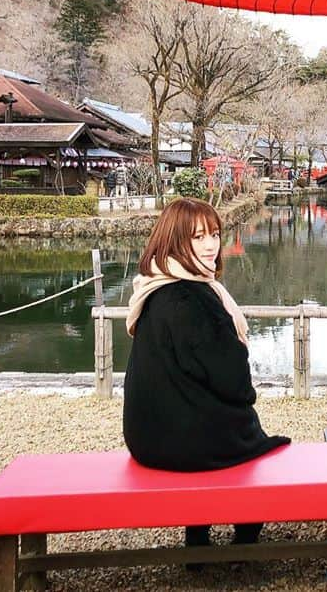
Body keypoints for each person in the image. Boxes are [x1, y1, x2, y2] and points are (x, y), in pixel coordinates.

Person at [123, 197, 290, 550]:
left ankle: (197, 534)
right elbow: (237, 385)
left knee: (202, 406)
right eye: (198, 237)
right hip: (187, 445)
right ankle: (246, 535)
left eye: (214, 233)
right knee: (245, 424)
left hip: (145, 439)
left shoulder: (153, 289)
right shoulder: (195, 297)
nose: (212, 245)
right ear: (175, 241)